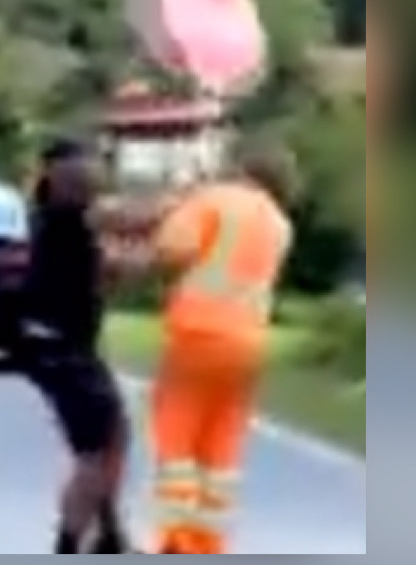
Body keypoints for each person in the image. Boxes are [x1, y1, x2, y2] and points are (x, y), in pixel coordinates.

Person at [144, 144, 298, 554]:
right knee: (221, 447)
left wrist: (172, 213)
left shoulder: (213, 199)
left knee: (177, 440)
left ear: (240, 167)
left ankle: (176, 541)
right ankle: (207, 541)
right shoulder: (280, 222)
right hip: (248, 343)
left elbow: (171, 250)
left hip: (199, 334)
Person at [15, 138, 134, 554]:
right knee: (93, 453)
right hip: (61, 348)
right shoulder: (68, 216)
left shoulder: (62, 219)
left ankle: (108, 531)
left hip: (62, 345)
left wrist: (112, 268)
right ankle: (69, 545)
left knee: (115, 433)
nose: (96, 175)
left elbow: (104, 273)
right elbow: (129, 218)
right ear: (65, 177)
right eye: (88, 168)